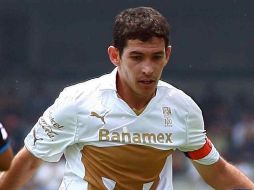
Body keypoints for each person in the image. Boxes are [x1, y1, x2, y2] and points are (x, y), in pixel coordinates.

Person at [0, 6, 253, 190]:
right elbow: (29, 162)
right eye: (136, 57)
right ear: (114, 55)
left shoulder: (183, 109)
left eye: (156, 57)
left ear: (168, 55)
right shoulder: (76, 102)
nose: (147, 68)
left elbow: (217, 172)